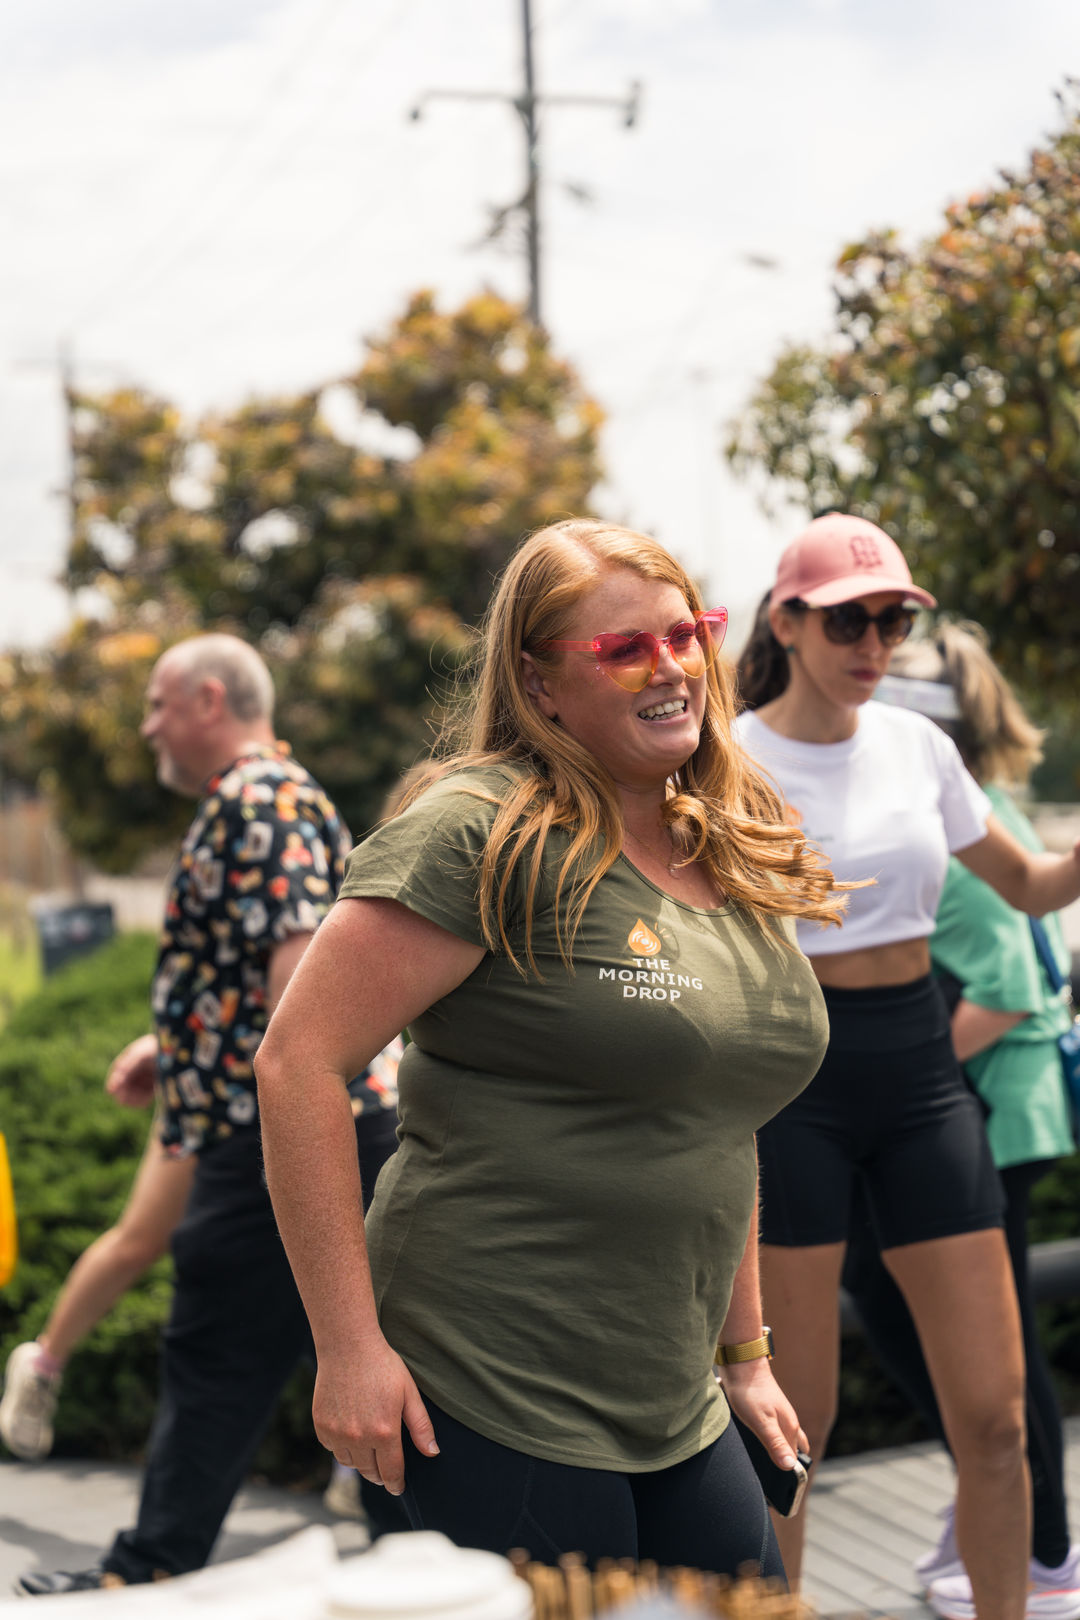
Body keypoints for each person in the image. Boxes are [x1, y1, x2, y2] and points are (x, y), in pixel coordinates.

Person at [254, 517, 846, 1577]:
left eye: (686, 634)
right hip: (486, 1384)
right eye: (626, 649)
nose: (672, 668)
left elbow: (717, 1111)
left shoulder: (724, 836)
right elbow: (295, 1063)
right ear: (538, 683)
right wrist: (348, 1350)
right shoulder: (481, 831)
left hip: (675, 1395)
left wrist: (746, 1356)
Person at [734, 513, 1080, 1620]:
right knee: (795, 1434)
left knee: (996, 1420)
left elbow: (1030, 887)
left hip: (923, 1073)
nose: (874, 643)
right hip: (794, 1085)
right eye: (848, 620)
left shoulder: (920, 746)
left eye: (892, 620)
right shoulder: (728, 759)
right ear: (788, 621)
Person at [15, 632, 399, 1596]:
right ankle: (428, 1563)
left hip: (280, 1134)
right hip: (291, 1120)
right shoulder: (273, 796)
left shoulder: (259, 801)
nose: (148, 726)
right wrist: (178, 1046)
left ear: (209, 701)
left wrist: (260, 1080)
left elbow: (300, 983)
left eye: (157, 704)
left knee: (219, 1351)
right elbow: (281, 976)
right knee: (328, 1349)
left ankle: (144, 1574)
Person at [841, 623, 1079, 1620]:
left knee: (989, 1344)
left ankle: (1045, 1553)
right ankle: (1001, 1519)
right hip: (984, 1107)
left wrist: (896, 1075)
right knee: (946, 1324)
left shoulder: (944, 814)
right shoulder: (959, 805)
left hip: (989, 1111)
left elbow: (1012, 986)